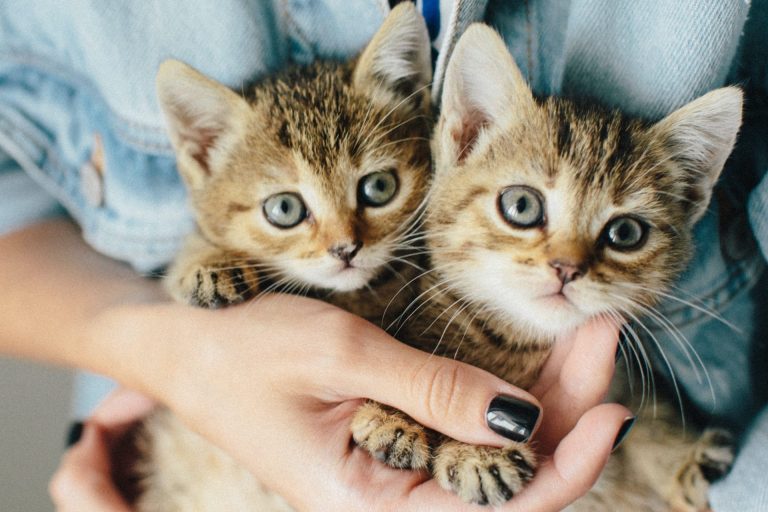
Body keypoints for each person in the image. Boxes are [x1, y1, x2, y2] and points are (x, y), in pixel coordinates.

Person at [1, 0, 765, 510]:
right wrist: (154, 347)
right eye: (291, 208)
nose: (343, 242)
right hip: (176, 430)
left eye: (375, 191)